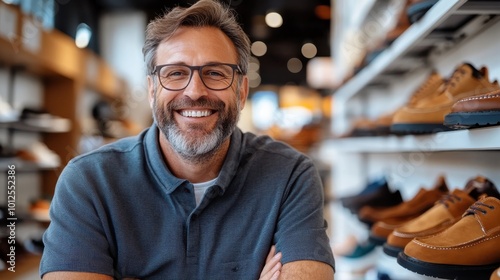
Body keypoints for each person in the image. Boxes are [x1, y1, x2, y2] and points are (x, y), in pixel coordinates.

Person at [39, 0, 335, 279]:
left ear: (242, 92)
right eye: (176, 73)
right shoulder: (89, 183)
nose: (195, 91)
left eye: (216, 73)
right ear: (153, 89)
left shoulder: (289, 177)